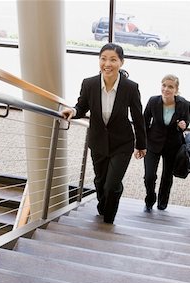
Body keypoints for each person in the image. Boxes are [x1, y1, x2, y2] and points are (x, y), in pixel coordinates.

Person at [61, 43, 147, 224]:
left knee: (112, 184)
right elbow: (81, 106)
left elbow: (138, 117)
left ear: (121, 63)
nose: (107, 63)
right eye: (103, 59)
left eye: (113, 60)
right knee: (100, 182)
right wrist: (73, 112)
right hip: (98, 141)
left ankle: (109, 217)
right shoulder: (89, 84)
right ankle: (103, 205)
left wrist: (141, 144)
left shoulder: (130, 87)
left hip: (122, 143)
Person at [143, 74, 190, 212]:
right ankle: (150, 197)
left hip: (173, 145)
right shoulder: (153, 101)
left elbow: (187, 120)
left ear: (176, 89)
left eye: (170, 86)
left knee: (167, 176)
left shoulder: (184, 104)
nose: (166, 89)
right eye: (164, 85)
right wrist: (141, 143)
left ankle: (162, 202)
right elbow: (144, 122)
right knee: (149, 176)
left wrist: (184, 124)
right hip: (153, 143)